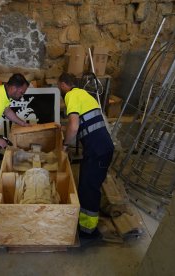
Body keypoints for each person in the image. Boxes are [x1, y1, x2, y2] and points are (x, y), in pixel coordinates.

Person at [58, 72, 114, 243]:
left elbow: (74, 126)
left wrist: (64, 146)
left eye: (59, 87)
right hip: (101, 148)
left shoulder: (71, 95)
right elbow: (82, 122)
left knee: (89, 189)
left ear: (63, 85)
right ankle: (86, 222)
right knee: (87, 185)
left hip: (97, 150)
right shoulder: (84, 94)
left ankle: (88, 231)